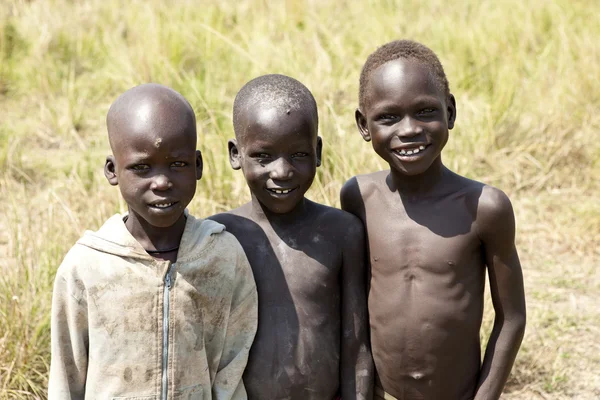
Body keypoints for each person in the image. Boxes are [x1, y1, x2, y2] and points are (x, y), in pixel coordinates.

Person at [341, 40, 526, 400]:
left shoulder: (484, 207)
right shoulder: (358, 198)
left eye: (425, 111)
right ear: (364, 125)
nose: (409, 129)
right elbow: (356, 309)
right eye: (388, 117)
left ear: (451, 111)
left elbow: (512, 318)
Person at [48, 83, 258, 400]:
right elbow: (67, 378)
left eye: (178, 164)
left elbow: (231, 373)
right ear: (112, 170)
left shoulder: (222, 258)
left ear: (198, 165)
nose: (161, 182)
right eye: (141, 167)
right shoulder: (87, 267)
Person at [209, 74, 373, 400]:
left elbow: (356, 344)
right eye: (263, 156)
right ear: (235, 154)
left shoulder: (341, 232)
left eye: (298, 155)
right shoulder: (218, 235)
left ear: (318, 151)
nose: (282, 172)